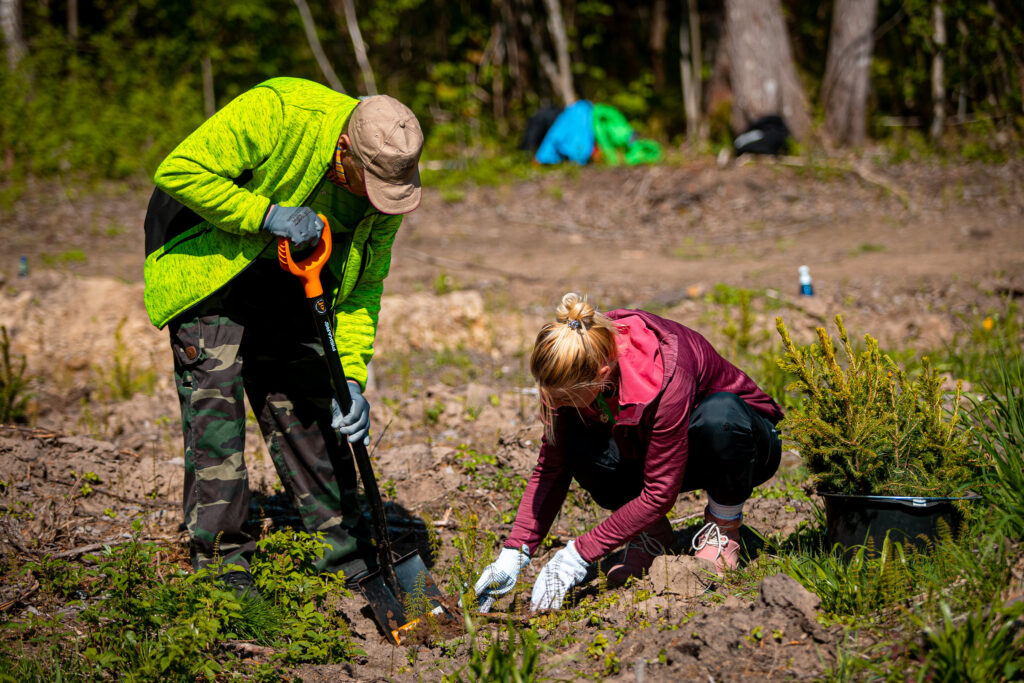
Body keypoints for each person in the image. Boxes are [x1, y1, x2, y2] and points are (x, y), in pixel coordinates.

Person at [142, 77, 423, 596]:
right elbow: (179, 170)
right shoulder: (279, 110)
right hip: (208, 255)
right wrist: (267, 215)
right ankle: (224, 568)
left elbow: (363, 288)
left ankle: (345, 552)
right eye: (372, 187)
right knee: (216, 406)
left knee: (313, 401)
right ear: (345, 154)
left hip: (290, 271)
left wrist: (354, 379)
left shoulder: (388, 180)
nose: (380, 203)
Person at [473, 293, 783, 612]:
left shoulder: (664, 370)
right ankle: (651, 532)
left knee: (721, 418)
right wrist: (514, 554)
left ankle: (723, 528)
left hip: (743, 446)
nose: (558, 403)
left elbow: (660, 492)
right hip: (656, 448)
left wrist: (577, 555)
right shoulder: (574, 361)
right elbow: (551, 470)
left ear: (603, 371)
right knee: (573, 440)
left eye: (567, 397)